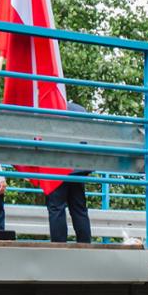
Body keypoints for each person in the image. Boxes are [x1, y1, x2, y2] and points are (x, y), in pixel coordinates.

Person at [47, 102, 95, 243]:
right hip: (78, 167)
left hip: (57, 166)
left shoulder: (50, 108)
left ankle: (59, 247)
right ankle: (85, 245)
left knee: (56, 207)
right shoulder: (80, 109)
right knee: (79, 207)